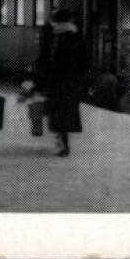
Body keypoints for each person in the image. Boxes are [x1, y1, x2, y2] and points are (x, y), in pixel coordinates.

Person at [35, 9, 87, 157]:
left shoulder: (54, 37)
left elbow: (45, 59)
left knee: (57, 112)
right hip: (72, 82)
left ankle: (62, 143)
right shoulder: (77, 35)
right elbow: (84, 60)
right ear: (70, 20)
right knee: (67, 113)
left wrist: (39, 78)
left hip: (57, 81)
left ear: (57, 21)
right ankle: (64, 142)